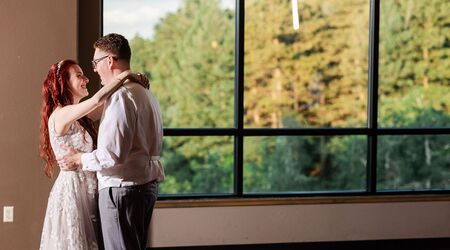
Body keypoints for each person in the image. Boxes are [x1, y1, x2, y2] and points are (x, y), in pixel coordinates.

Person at [59, 33, 165, 250]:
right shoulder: (144, 93)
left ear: (110, 61)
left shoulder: (121, 97)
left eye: (96, 62)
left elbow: (111, 155)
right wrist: (128, 77)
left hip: (122, 189)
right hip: (144, 186)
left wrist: (79, 159)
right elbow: (94, 107)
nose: (94, 70)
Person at [39, 59, 147, 249]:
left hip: (88, 188)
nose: (86, 79)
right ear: (63, 82)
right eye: (79, 75)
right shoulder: (60, 114)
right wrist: (126, 75)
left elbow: (109, 102)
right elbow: (98, 99)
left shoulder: (79, 118)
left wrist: (132, 84)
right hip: (73, 191)